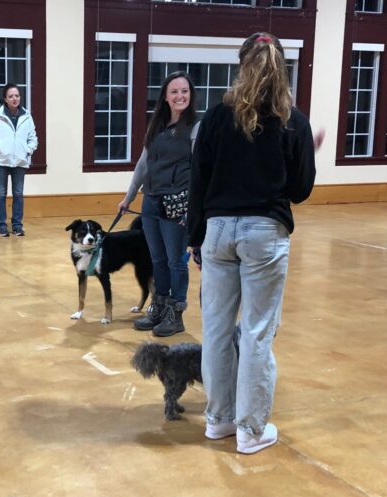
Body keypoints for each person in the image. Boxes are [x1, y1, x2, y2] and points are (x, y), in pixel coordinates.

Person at [188, 33, 318, 454]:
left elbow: (198, 182)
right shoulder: (293, 121)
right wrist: (305, 153)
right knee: (258, 333)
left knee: (217, 330)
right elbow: (300, 189)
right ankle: (250, 429)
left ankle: (218, 420)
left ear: (242, 64)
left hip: (218, 231)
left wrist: (194, 240)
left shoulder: (214, 118)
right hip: (264, 233)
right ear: (283, 68)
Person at [118, 72, 200, 337]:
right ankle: (159, 305)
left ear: (191, 95)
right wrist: (128, 197)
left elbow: (201, 169)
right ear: (165, 96)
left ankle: (175, 314)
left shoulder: (195, 127)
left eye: (184, 91)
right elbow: (143, 165)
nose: (180, 96)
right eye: (174, 91)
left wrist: (196, 206)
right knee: (157, 259)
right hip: (151, 202)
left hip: (177, 204)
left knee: (177, 261)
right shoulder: (156, 126)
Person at [0, 83, 38, 237]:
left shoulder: (27, 116)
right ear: (5, 99)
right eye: (11, 96)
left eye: (17, 96)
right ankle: (1, 225)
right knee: (1, 193)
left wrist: (27, 150)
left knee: (18, 194)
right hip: (0, 161)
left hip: (20, 161)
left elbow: (33, 138)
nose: (15, 98)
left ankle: (17, 226)